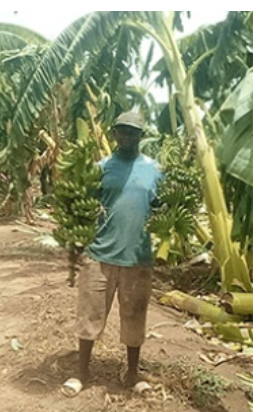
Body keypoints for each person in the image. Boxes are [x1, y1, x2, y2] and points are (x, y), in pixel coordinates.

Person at [62, 111, 163, 397]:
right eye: (122, 131)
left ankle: (132, 375)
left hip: (138, 257)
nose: (127, 136)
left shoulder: (155, 170)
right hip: (100, 255)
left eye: (132, 132)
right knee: (89, 317)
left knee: (134, 318)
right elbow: (82, 207)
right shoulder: (100, 167)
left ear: (141, 136)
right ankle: (82, 373)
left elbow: (160, 206)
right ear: (114, 133)